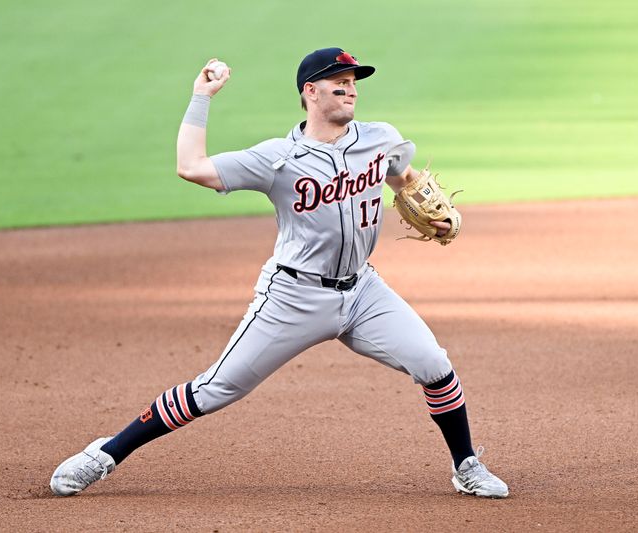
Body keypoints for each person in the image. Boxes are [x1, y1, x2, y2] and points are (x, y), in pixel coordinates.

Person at [49, 48, 508, 499]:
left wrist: (432, 210)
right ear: (310, 92)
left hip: (364, 290)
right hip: (294, 297)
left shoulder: (380, 138)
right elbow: (191, 168)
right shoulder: (277, 158)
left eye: (353, 84)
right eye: (339, 83)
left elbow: (402, 176)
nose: (350, 91)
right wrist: (201, 96)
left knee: (434, 364)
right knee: (217, 388)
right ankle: (105, 454)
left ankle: (466, 464)